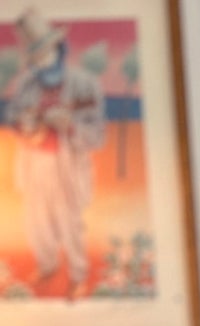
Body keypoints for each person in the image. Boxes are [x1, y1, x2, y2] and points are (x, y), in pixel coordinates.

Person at [10, 8, 105, 301]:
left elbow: (96, 133)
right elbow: (14, 117)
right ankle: (47, 264)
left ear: (58, 49)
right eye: (36, 56)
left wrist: (71, 126)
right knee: (37, 220)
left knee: (69, 221)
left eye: (46, 53)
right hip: (34, 162)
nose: (42, 61)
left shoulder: (84, 84)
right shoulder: (27, 85)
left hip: (67, 164)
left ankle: (78, 275)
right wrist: (28, 124)